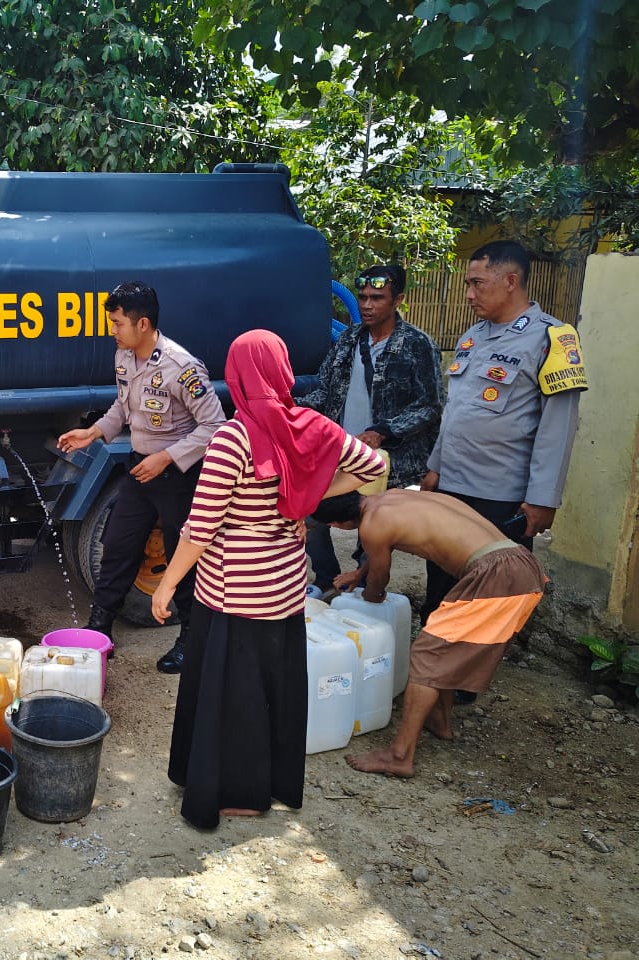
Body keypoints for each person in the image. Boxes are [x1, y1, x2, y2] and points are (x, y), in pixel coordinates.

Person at [151, 330, 386, 830]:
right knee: (272, 689)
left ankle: (235, 793)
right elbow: (372, 464)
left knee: (232, 695)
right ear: (281, 372)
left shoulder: (232, 438)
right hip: (284, 587)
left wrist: (168, 584)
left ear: (237, 377)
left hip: (232, 590)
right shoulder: (308, 425)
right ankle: (270, 783)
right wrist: (306, 495)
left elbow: (201, 527)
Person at [420, 240, 586, 697]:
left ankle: (462, 684)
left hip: (502, 496)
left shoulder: (553, 339)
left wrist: (543, 499)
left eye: (477, 283)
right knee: (442, 582)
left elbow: (558, 426)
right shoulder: (472, 336)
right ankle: (431, 674)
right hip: (452, 488)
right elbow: (456, 412)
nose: (469, 293)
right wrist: (435, 467)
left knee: (488, 592)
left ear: (510, 281)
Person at [312, 489, 546, 778]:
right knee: (447, 644)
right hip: (517, 561)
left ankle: (399, 756)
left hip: (496, 575)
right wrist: (359, 575)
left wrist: (368, 600)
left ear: (335, 524)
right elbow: (383, 544)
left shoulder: (371, 525)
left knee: (427, 654)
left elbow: (380, 580)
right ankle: (439, 720)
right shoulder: (390, 499)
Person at [56, 281, 226, 674]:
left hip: (178, 476)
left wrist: (166, 458)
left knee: (181, 556)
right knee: (117, 546)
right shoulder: (124, 356)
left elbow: (215, 426)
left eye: (117, 323)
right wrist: (94, 432)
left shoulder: (182, 367)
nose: (112, 331)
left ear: (143, 324)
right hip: (140, 469)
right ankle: (99, 630)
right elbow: (123, 406)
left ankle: (191, 640)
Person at [296, 263, 442, 592]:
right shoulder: (348, 341)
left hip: (388, 462)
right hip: (340, 455)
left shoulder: (418, 344)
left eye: (377, 298)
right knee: (311, 514)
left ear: (398, 300)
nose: (367, 305)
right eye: (362, 297)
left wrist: (382, 431)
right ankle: (327, 579)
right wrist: (290, 408)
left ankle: (363, 588)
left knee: (373, 528)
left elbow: (430, 406)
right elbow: (325, 392)